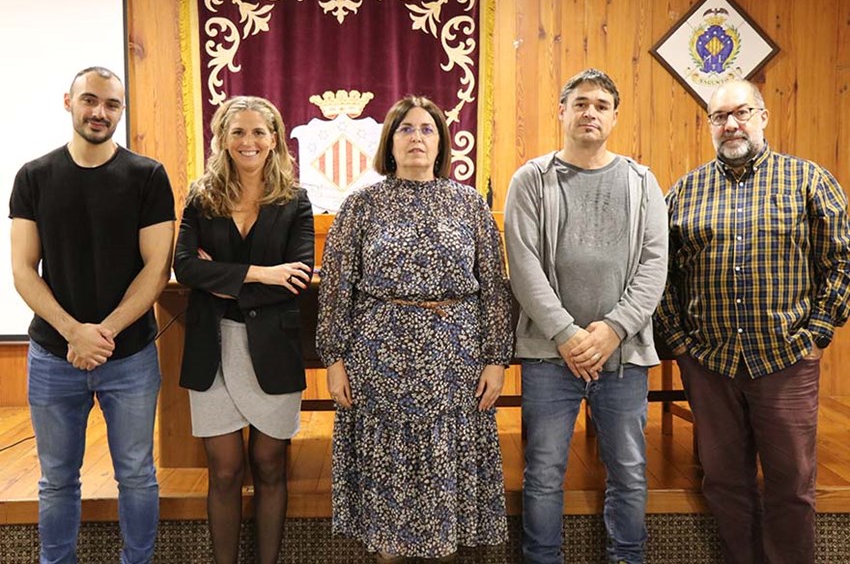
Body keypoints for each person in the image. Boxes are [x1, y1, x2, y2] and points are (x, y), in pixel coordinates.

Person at [655, 79, 850, 564]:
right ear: (710, 125)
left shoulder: (808, 180)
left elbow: (841, 262)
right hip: (709, 363)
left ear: (762, 116)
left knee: (791, 485)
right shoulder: (684, 191)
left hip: (786, 359)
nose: (731, 125)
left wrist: (818, 333)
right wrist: (679, 342)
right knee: (724, 482)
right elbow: (660, 274)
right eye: (720, 117)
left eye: (741, 112)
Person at [316, 95, 513, 562]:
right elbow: (336, 288)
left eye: (427, 129)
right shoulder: (362, 205)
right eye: (406, 129)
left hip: (454, 360)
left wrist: (496, 359)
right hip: (380, 359)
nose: (417, 138)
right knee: (390, 485)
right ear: (390, 141)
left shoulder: (468, 204)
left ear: (442, 142)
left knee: (445, 477)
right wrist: (334, 359)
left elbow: (494, 287)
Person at [9, 66, 175, 563]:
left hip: (130, 355)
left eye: (111, 104)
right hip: (53, 356)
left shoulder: (148, 176)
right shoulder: (34, 176)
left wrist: (103, 333)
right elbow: (22, 269)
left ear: (121, 111)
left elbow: (157, 268)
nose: (100, 112)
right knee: (57, 480)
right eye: (90, 100)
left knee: (137, 475)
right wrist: (72, 333)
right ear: (69, 102)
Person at [504, 68, 668, 564]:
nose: (590, 112)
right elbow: (523, 265)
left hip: (623, 355)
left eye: (600, 105)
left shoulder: (641, 182)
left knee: (629, 471)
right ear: (562, 112)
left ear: (614, 117)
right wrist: (567, 334)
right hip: (550, 354)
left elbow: (654, 263)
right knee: (543, 472)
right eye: (580, 103)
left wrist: (614, 329)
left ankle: (627, 558)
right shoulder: (531, 180)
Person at [173, 96, 314, 564]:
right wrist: (261, 274)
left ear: (274, 139)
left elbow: (297, 278)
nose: (248, 141)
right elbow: (185, 267)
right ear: (223, 139)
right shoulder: (201, 196)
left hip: (272, 348)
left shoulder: (295, 200)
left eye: (258, 132)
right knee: (225, 470)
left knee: (270, 466)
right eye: (238, 132)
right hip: (212, 347)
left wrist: (222, 280)